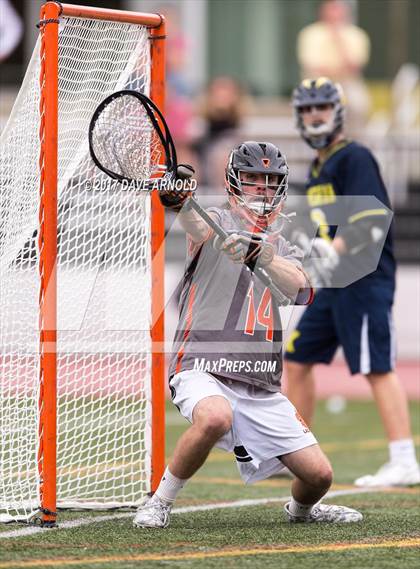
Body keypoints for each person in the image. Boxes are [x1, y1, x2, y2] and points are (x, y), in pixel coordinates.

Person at [133, 141, 363, 528]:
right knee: (214, 418)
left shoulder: (286, 242)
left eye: (270, 180)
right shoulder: (215, 220)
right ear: (234, 182)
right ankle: (159, 501)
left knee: (319, 476)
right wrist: (177, 198)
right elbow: (192, 220)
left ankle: (301, 512)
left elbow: (302, 290)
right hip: (203, 364)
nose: (262, 187)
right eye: (253, 178)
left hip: (258, 380)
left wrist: (265, 256)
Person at [284, 77, 420, 487]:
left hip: (363, 279)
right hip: (334, 283)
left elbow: (371, 218)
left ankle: (403, 458)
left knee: (375, 365)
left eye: (320, 107)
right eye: (307, 109)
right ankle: (293, 448)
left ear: (337, 110)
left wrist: (334, 250)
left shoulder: (354, 157)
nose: (313, 115)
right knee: (298, 357)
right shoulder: (318, 166)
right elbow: (321, 227)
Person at [296, 0, 370, 131]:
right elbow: (312, 65)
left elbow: (354, 66)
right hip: (317, 82)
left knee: (359, 104)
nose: (334, 15)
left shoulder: (356, 35)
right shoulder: (310, 34)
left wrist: (339, 40)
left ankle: (356, 139)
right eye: (331, 10)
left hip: (348, 82)